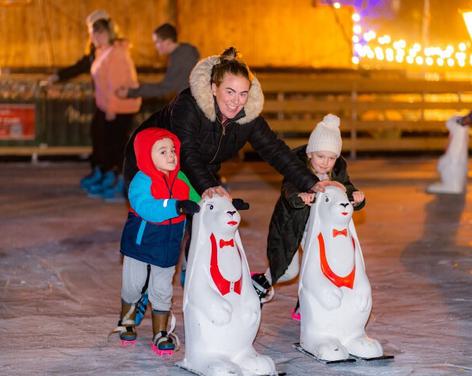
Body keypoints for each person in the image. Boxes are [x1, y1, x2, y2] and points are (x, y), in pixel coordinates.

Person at [122, 47, 342, 295]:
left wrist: (311, 182)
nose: (236, 101)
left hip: (198, 165)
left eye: (243, 94)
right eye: (229, 91)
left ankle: (194, 271)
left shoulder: (247, 117)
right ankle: (140, 289)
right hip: (151, 160)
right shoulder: (188, 106)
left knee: (205, 216)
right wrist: (208, 186)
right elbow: (187, 152)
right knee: (157, 222)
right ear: (214, 89)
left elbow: (275, 150)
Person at [252, 114, 366, 314]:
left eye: (331, 158)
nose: (325, 163)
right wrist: (300, 197)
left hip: (320, 230)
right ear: (310, 153)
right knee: (289, 272)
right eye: (321, 156)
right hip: (293, 226)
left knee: (318, 267)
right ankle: (262, 281)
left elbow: (346, 190)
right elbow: (289, 189)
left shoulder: (337, 173)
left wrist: (356, 198)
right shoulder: (298, 168)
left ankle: (305, 302)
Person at [112, 128, 200, 354]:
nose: (171, 155)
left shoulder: (181, 179)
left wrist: (220, 204)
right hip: (140, 244)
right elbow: (147, 208)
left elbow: (199, 201)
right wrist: (176, 206)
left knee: (162, 289)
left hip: (168, 244)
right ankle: (127, 321)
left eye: (172, 150)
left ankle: (160, 333)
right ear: (146, 155)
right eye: (163, 151)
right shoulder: (141, 181)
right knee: (134, 285)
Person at [46, 10, 141, 202]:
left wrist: (112, 109)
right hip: (107, 106)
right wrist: (57, 76)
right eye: (91, 32)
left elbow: (116, 83)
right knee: (102, 140)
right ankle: (105, 175)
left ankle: (120, 184)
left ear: (106, 32)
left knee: (115, 145)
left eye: (96, 32)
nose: (92, 36)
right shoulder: (99, 51)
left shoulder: (115, 53)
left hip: (117, 107)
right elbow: (90, 72)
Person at [116, 23, 199, 100]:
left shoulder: (181, 57)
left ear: (167, 42)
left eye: (157, 42)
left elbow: (166, 88)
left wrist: (132, 92)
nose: (156, 47)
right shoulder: (184, 52)